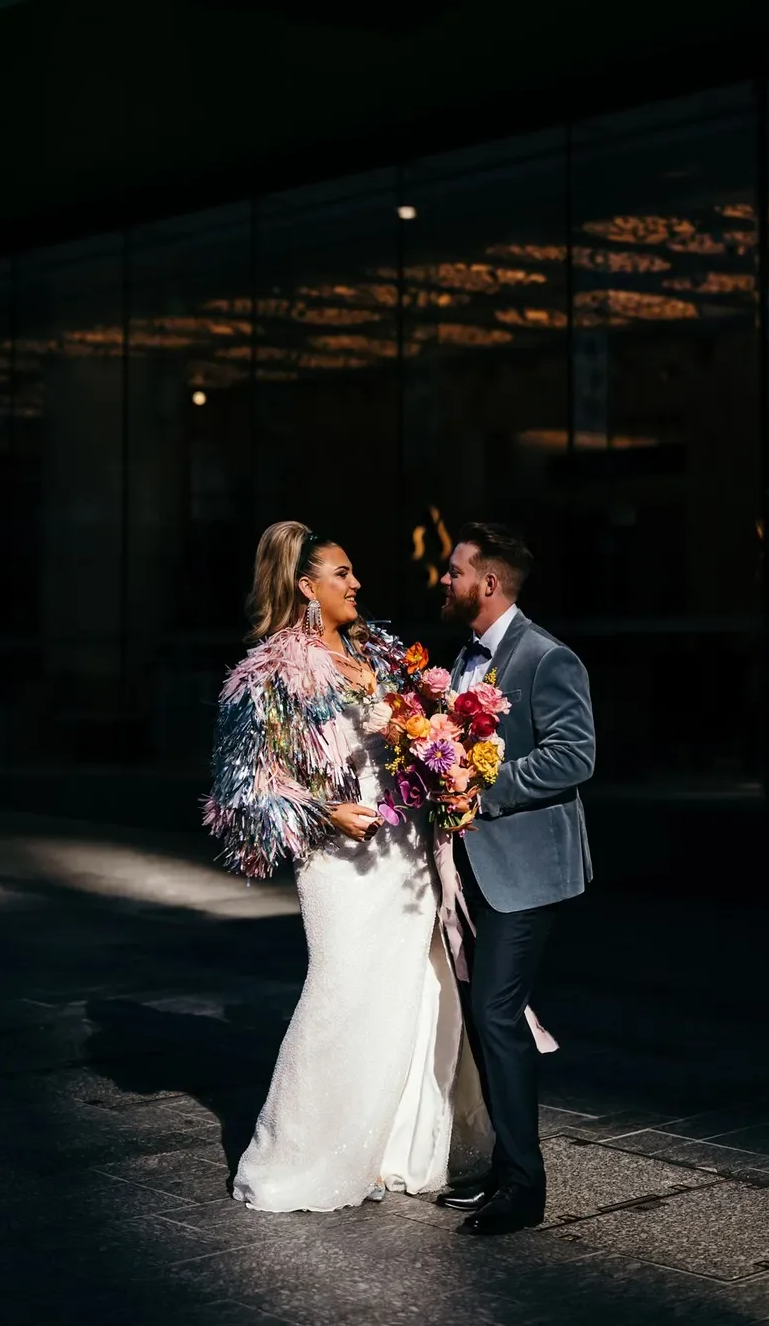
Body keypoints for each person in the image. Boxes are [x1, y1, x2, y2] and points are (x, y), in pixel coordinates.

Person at [204, 520, 489, 1213]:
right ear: (306, 586)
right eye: (342, 574)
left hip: (407, 851)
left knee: (414, 991)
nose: (356, 584)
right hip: (339, 858)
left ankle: (394, 1151)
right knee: (340, 990)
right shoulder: (269, 673)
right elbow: (242, 791)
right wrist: (323, 813)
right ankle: (301, 1157)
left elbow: (417, 730)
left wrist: (441, 760)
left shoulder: (380, 653)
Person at [436, 522, 595, 1236]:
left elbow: (574, 756)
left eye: (453, 569)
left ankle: (523, 1188)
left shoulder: (546, 657)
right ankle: (501, 1168)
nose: (443, 579)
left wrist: (481, 787)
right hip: (470, 865)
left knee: (499, 1014)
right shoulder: (462, 660)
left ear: (488, 582)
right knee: (482, 1016)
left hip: (527, 867)